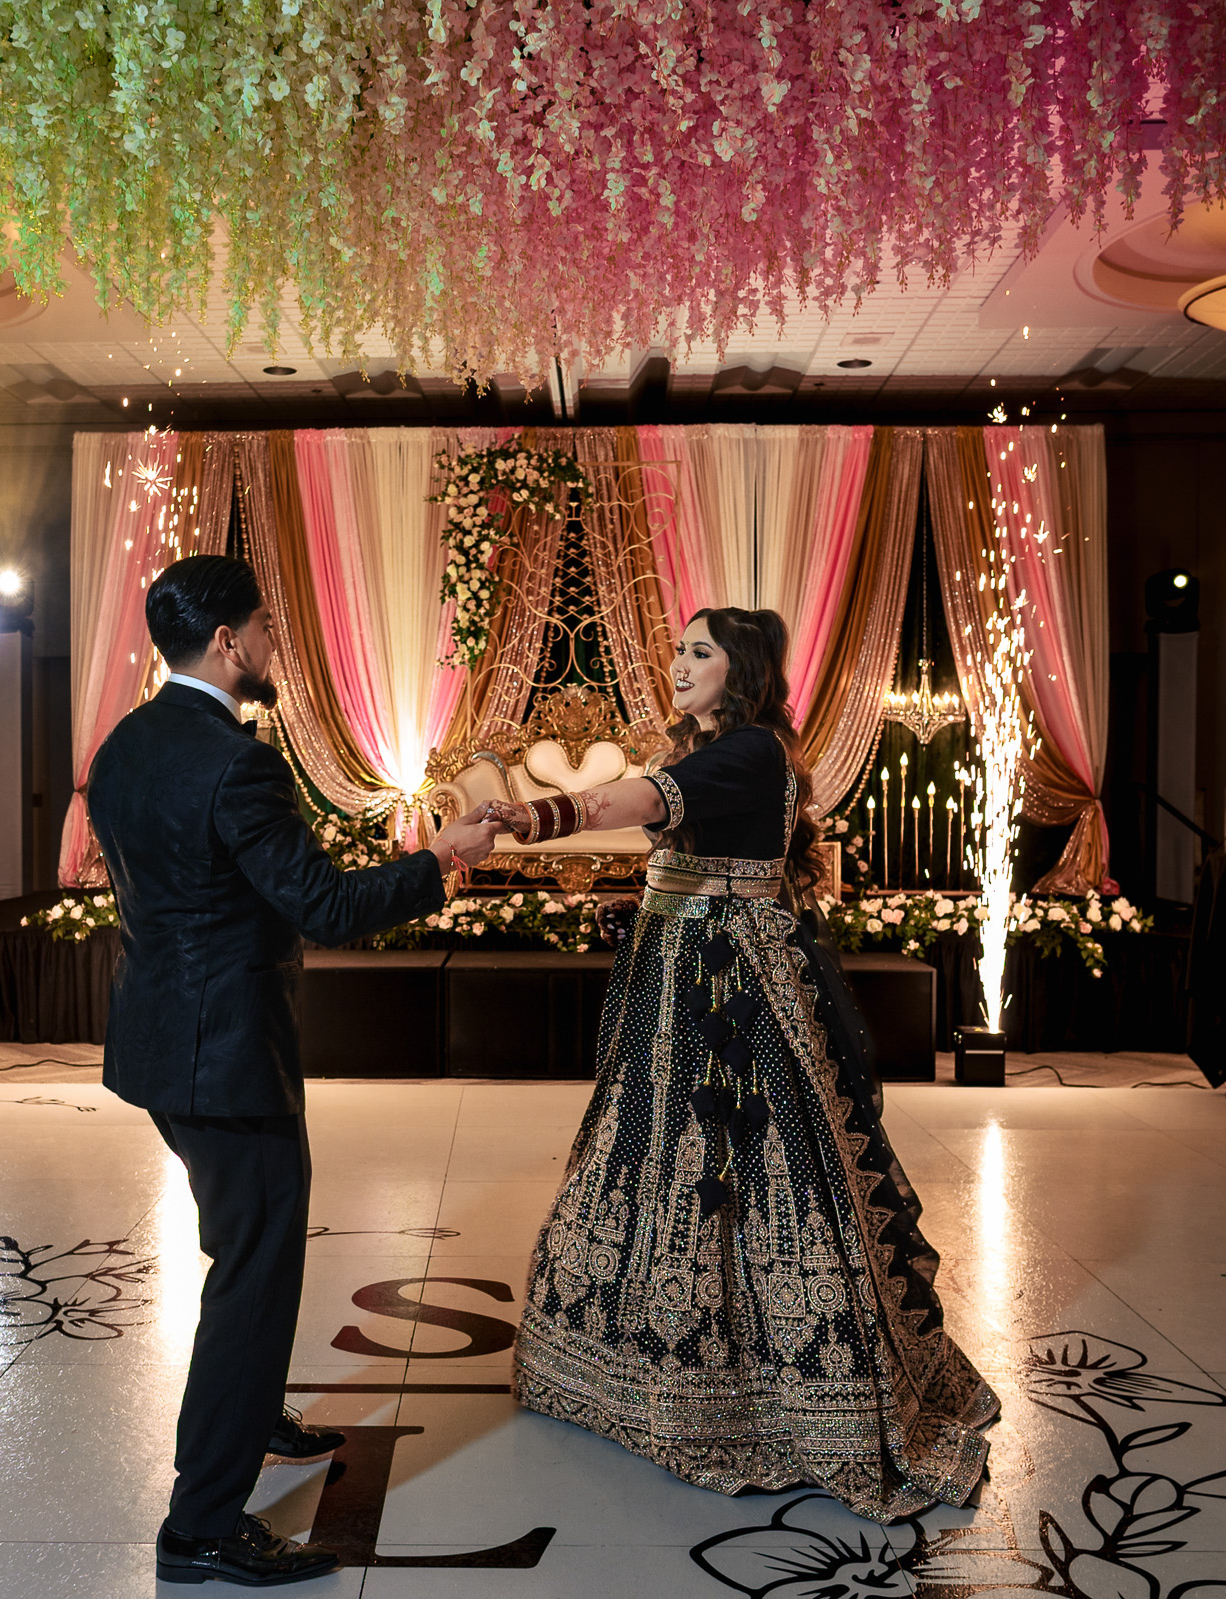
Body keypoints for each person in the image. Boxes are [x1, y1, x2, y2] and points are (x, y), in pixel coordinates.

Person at [495, 607, 999, 1523]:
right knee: (652, 1147)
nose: (677, 663)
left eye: (699, 651)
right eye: (677, 647)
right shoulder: (716, 748)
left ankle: (770, 1390)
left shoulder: (752, 752)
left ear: (745, 669)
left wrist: (527, 816)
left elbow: (633, 802)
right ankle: (634, 1364)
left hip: (729, 989)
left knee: (746, 1163)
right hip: (680, 971)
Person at [83, 554, 505, 1588]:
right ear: (226, 642)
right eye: (265, 627)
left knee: (241, 1245)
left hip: (158, 1045)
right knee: (254, 1275)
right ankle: (201, 1526)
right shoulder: (237, 764)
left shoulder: (126, 744)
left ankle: (254, 1411)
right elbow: (324, 907)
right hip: (226, 1056)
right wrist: (443, 857)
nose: (274, 643)